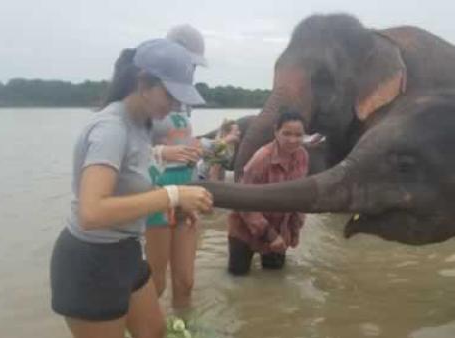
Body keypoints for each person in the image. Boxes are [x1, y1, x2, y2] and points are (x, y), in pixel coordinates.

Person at [49, 39, 213, 338]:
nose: (176, 105)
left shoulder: (142, 125)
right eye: (170, 95)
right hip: (90, 261)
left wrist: (174, 205)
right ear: (143, 83)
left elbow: (130, 184)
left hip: (125, 250)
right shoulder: (111, 128)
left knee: (154, 332)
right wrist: (172, 195)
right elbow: (92, 211)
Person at [144, 24, 208, 312]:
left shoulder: (186, 100)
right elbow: (129, 155)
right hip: (156, 196)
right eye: (189, 62)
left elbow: (185, 140)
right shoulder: (147, 99)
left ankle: (184, 327)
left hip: (186, 193)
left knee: (186, 281)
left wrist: (199, 153)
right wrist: (164, 152)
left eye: (193, 65)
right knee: (156, 282)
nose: (191, 70)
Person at [227, 110, 309, 275]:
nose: (293, 140)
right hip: (245, 230)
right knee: (238, 277)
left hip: (280, 228)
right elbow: (244, 203)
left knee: (274, 279)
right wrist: (270, 235)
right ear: (275, 132)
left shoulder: (303, 156)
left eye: (298, 135)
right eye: (286, 133)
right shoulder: (261, 159)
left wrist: (295, 230)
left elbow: (300, 197)